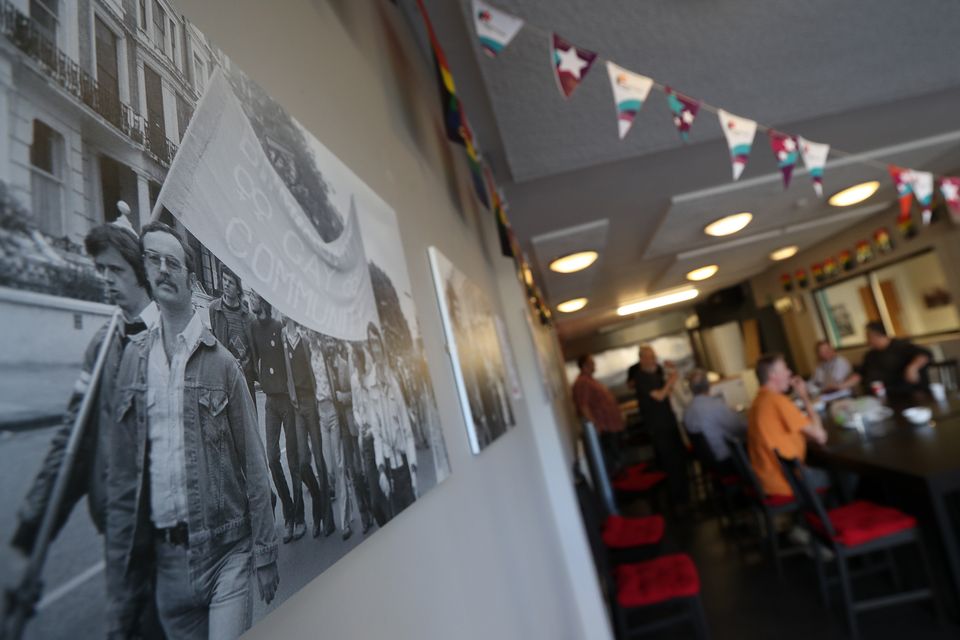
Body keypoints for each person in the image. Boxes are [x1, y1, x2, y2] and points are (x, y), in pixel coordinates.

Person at [106, 222, 278, 639]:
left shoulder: (222, 366)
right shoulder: (132, 361)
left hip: (226, 555)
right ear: (145, 271)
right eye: (154, 260)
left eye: (173, 262)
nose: (163, 269)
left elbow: (255, 466)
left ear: (188, 275)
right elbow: (123, 478)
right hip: (167, 566)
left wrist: (265, 553)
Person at [12, 221, 158, 555]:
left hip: (172, 524)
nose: (106, 278)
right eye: (101, 269)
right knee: (126, 607)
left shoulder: (170, 338)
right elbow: (74, 435)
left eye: (116, 269)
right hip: (118, 521)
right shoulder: (100, 347)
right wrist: (37, 519)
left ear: (141, 273)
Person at [249, 295, 304, 543]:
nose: (250, 300)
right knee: (272, 458)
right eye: (249, 296)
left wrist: (294, 394)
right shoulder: (252, 327)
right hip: (270, 401)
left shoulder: (279, 328)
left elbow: (289, 364)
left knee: (293, 461)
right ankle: (288, 510)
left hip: (287, 401)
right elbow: (252, 358)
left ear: (263, 301)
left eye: (253, 296)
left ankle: (299, 518)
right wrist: (260, 379)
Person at [281, 316, 336, 538]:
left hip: (311, 403)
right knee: (303, 463)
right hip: (296, 407)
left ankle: (326, 517)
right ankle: (318, 500)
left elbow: (317, 368)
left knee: (320, 462)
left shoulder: (304, 339)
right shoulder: (283, 338)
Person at [747, 353, 829, 498]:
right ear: (773, 375)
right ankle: (826, 515)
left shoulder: (758, 401)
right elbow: (820, 436)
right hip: (789, 480)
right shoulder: (778, 401)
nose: (790, 373)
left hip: (767, 478)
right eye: (785, 369)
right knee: (843, 474)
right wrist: (804, 396)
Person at [626, 345, 689, 509]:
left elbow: (667, 392)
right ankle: (677, 501)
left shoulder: (656, 373)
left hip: (669, 422)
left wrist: (670, 373)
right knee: (669, 463)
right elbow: (659, 396)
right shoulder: (640, 378)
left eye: (653, 356)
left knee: (679, 460)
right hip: (658, 427)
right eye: (648, 357)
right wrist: (670, 380)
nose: (652, 359)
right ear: (641, 360)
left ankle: (684, 496)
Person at [366, 324, 419, 516]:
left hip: (404, 464)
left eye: (377, 342)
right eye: (372, 344)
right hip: (388, 468)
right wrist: (381, 471)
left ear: (382, 344)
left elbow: (407, 429)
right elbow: (377, 435)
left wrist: (413, 471)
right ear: (370, 349)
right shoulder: (370, 385)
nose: (376, 348)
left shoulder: (394, 380)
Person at [683, 369, 746, 475]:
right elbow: (738, 429)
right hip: (727, 461)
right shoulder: (716, 405)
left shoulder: (687, 412)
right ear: (709, 385)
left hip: (708, 462)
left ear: (691, 389)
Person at [208, 267, 256, 402]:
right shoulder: (214, 309)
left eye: (231, 282)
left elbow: (252, 348)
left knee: (249, 418)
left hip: (245, 376)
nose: (226, 284)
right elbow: (215, 340)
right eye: (224, 280)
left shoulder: (249, 316)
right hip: (224, 375)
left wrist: (246, 365)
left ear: (238, 288)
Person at [572, 354, 624, 468]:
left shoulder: (590, 380)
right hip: (603, 428)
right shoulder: (582, 382)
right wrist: (594, 425)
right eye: (592, 363)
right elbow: (583, 406)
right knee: (611, 459)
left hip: (610, 425)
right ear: (585, 366)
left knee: (616, 454)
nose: (594, 365)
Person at [860, 321, 932, 398]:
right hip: (880, 395)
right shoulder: (870, 354)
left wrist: (913, 367)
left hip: (907, 394)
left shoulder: (901, 346)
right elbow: (861, 372)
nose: (867, 340)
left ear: (877, 335)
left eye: (868, 336)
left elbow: (924, 354)